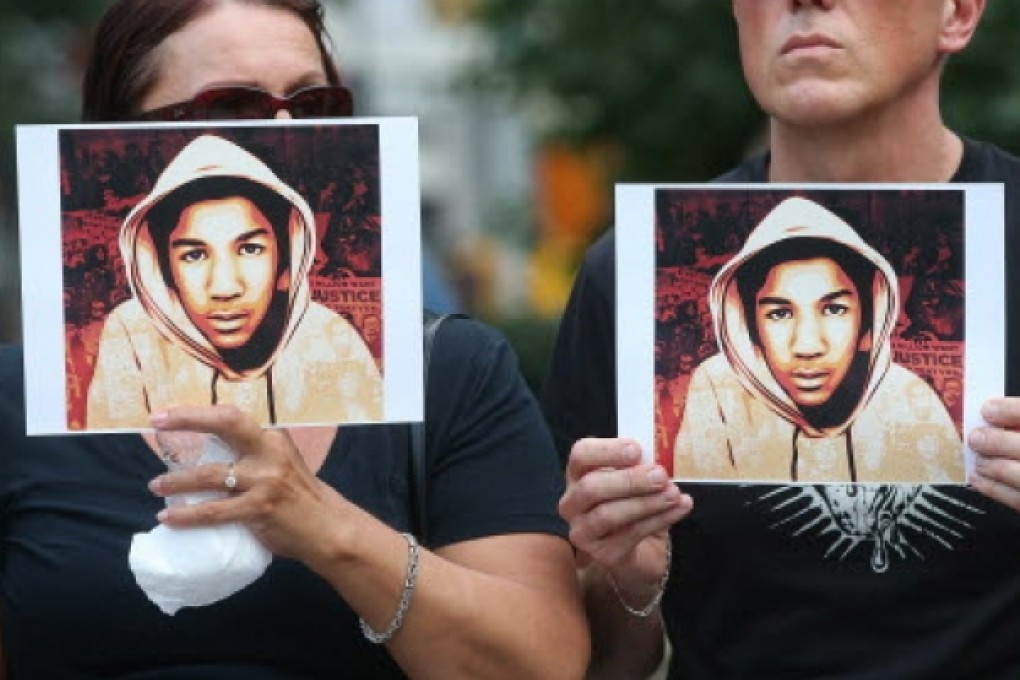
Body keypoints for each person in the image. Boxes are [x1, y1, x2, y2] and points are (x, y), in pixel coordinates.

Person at [0, 1, 588, 678]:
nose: (285, 130)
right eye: (235, 106)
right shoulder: (21, 400)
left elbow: (539, 664)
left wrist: (325, 527)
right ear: (113, 138)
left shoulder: (450, 373)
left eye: (314, 104)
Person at [545, 0, 1020, 677]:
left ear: (959, 14)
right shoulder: (629, 277)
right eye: (776, 314)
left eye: (834, 310)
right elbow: (595, 662)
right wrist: (630, 578)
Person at [86, 133, 383, 429]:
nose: (225, 288)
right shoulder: (131, 333)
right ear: (163, 271)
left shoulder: (332, 338)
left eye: (250, 249)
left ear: (285, 264)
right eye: (194, 255)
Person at [674, 196, 962, 483]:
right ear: (751, 329)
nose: (808, 346)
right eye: (779, 314)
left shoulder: (910, 399)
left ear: (867, 326)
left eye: (834, 310)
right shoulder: (718, 387)